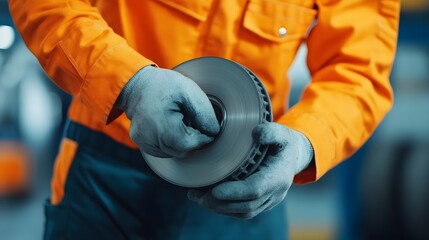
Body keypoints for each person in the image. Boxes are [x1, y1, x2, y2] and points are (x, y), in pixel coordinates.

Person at [9, 0, 400, 239]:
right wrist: (130, 84)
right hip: (105, 178)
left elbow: (358, 71)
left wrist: (302, 144)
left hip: (249, 188)